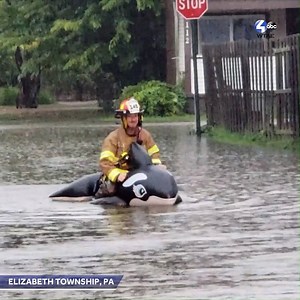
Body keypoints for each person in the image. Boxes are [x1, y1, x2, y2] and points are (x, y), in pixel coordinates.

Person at [95, 97, 164, 198]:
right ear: (123, 118)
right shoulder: (113, 138)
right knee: (110, 189)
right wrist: (117, 175)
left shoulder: (145, 135)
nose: (133, 119)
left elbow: (155, 155)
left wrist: (158, 167)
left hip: (141, 175)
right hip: (120, 177)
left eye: (135, 115)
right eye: (130, 116)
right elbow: (105, 163)